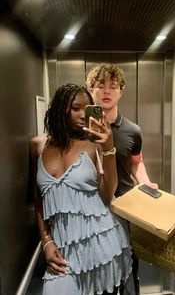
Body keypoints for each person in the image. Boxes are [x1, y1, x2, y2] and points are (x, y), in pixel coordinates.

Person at [29, 83, 135, 295]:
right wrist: (46, 242)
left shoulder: (94, 144)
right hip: (63, 248)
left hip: (102, 245)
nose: (81, 115)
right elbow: (39, 199)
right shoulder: (38, 146)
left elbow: (106, 196)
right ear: (61, 109)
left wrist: (109, 148)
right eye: (76, 108)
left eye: (87, 109)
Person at [86, 63, 158, 295]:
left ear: (121, 91)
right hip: (91, 212)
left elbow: (136, 163)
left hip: (124, 211)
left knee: (128, 270)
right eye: (100, 85)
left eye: (113, 86)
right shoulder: (79, 130)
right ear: (90, 88)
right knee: (96, 273)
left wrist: (145, 181)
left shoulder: (132, 130)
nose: (107, 91)